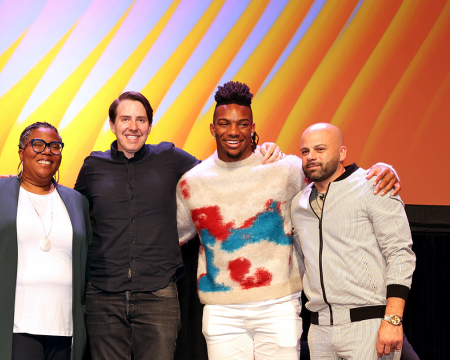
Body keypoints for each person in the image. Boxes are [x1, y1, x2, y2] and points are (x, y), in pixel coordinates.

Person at [175, 82, 401, 360]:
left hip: (279, 306)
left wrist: (383, 169)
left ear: (253, 127)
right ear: (212, 129)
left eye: (242, 124)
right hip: (221, 311)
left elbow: (335, 178)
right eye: (224, 123)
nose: (233, 131)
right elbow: (172, 233)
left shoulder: (286, 168)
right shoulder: (192, 182)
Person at [74, 90, 295, 360]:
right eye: (125, 119)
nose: (133, 127)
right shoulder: (93, 166)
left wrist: (264, 149)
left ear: (150, 125)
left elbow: (222, 170)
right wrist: (21, 185)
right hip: (104, 294)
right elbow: (70, 207)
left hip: (157, 293)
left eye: (141, 120)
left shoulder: (170, 158)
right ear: (112, 125)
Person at [0, 122, 91, 360]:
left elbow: (88, 258)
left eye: (55, 146)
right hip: (12, 326)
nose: (47, 151)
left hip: (64, 327)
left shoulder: (76, 201)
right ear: (21, 152)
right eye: (38, 144)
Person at [291, 123, 416, 359]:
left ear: (342, 153)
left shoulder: (373, 185)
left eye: (320, 149)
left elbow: (400, 254)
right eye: (305, 151)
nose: (311, 157)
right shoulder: (298, 204)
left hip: (368, 325)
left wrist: (393, 319)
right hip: (320, 331)